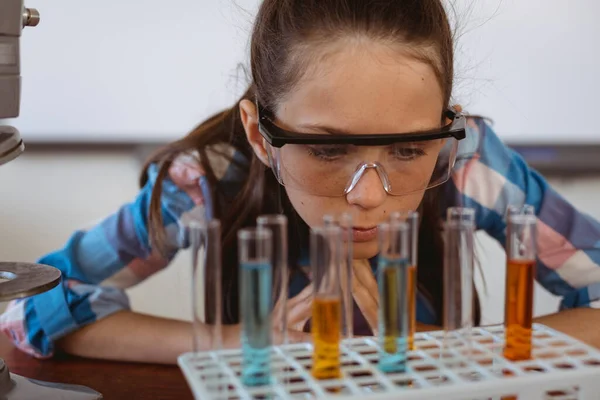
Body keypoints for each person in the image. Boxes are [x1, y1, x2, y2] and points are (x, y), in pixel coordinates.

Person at [2, 0, 599, 365]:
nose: (368, 195)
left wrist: (438, 352)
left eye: (410, 149)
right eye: (327, 149)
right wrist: (240, 341)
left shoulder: (468, 161)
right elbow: (27, 306)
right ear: (261, 137)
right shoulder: (212, 178)